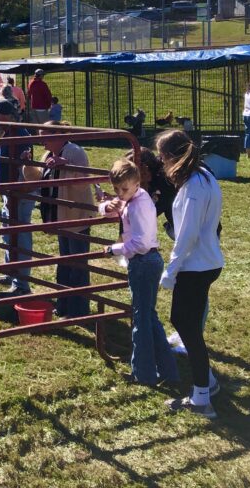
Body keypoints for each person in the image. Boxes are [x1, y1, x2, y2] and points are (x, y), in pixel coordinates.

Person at [156, 129, 224, 419]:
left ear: (173, 156)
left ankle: (201, 397)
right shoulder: (204, 177)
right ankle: (205, 383)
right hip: (206, 262)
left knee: (187, 328)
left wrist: (170, 271)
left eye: (162, 158)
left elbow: (188, 235)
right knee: (188, 325)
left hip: (196, 265)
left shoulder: (194, 186)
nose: (161, 163)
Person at [98, 158, 179, 386]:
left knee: (141, 321)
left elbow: (140, 243)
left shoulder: (137, 205)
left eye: (123, 189)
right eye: (116, 189)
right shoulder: (136, 196)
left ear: (136, 182)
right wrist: (107, 205)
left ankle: (143, 374)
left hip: (143, 262)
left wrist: (112, 250)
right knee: (148, 317)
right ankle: (168, 371)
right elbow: (110, 207)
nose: (119, 193)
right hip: (146, 261)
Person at [39, 125, 95, 318]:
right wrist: (27, 164)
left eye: (44, 137)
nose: (42, 142)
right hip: (61, 217)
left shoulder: (75, 152)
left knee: (77, 264)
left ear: (57, 136)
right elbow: (39, 178)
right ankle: (64, 305)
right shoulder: (47, 154)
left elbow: (82, 184)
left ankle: (79, 310)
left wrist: (66, 166)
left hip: (76, 217)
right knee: (64, 263)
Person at [0, 98, 34, 296]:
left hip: (20, 191)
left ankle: (22, 284)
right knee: (8, 230)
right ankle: (11, 269)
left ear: (1, 116)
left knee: (20, 234)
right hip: (10, 190)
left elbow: (23, 165)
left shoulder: (18, 133)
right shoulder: (7, 132)